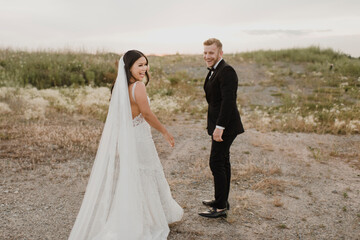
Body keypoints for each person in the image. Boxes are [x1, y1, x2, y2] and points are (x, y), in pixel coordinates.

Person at [68, 50, 183, 240]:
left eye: (145, 64)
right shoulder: (138, 87)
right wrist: (164, 131)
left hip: (129, 137)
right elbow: (146, 114)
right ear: (129, 67)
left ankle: (140, 216)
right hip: (139, 138)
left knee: (136, 175)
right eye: (140, 65)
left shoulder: (121, 88)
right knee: (147, 173)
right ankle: (149, 220)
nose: (144, 69)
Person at [199, 38, 244, 218]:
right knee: (223, 161)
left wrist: (220, 127)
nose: (207, 56)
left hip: (226, 126)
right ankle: (221, 201)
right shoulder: (214, 71)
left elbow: (228, 102)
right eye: (205, 52)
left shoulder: (227, 71)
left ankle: (220, 207)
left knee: (216, 162)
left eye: (211, 52)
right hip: (221, 124)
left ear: (220, 53)